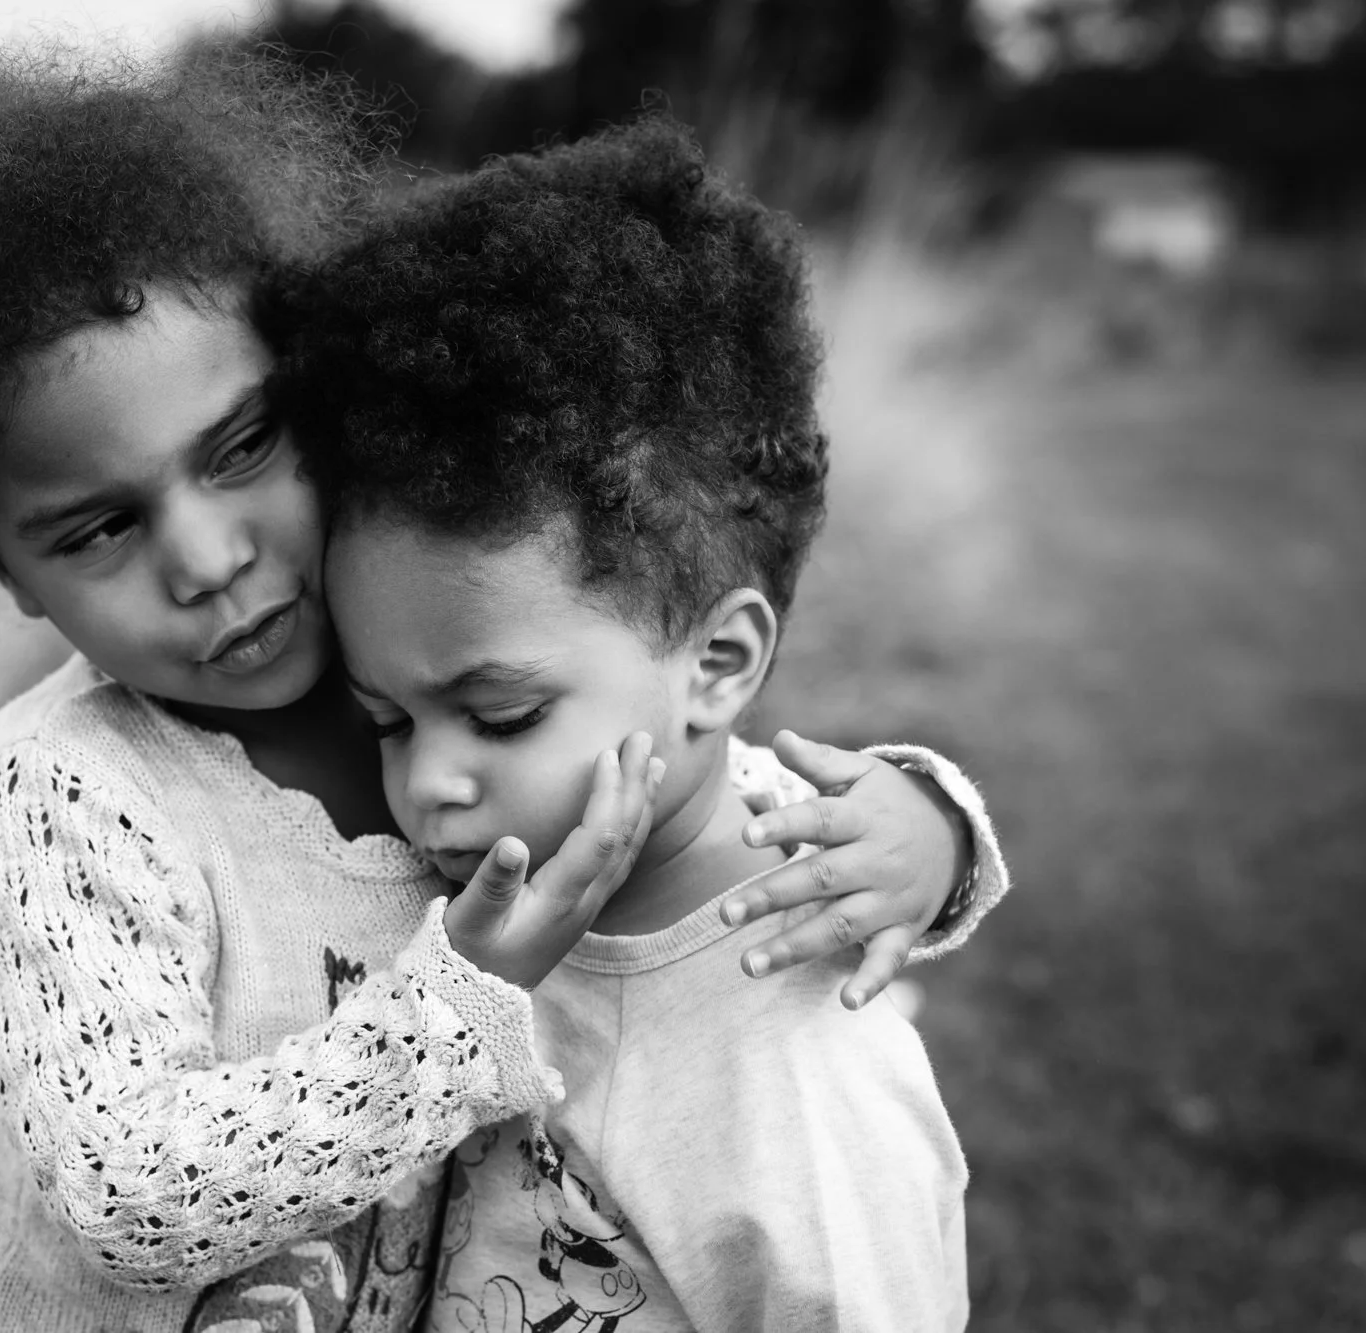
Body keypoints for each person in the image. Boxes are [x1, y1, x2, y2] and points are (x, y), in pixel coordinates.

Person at [0, 45, 1004, 1333]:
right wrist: (454, 1013)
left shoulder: (403, 679)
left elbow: (655, 755)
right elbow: (128, 1194)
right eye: (99, 527)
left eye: (241, 446)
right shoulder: (59, 801)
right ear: (7, 571)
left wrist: (925, 828)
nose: (207, 561)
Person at [276, 118, 972, 1331]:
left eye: (501, 715)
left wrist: (937, 829)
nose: (430, 783)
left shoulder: (795, 1073)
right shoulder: (452, 898)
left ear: (716, 664)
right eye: (384, 719)